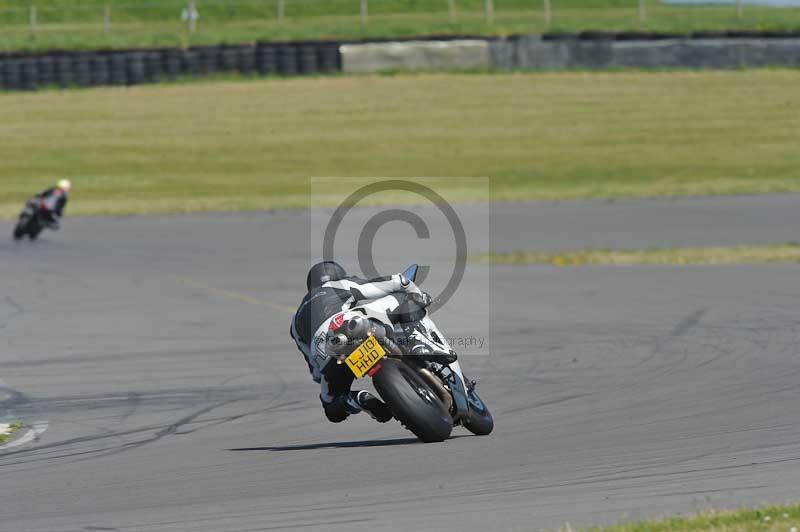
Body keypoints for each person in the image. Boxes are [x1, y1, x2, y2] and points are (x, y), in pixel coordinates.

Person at [290, 261, 432, 424]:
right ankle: (420, 343)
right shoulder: (337, 284)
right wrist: (416, 294)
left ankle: (353, 400)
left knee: (332, 409)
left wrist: (329, 377)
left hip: (327, 354)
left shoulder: (295, 323)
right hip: (351, 326)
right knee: (403, 298)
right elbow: (395, 282)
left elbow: (314, 369)